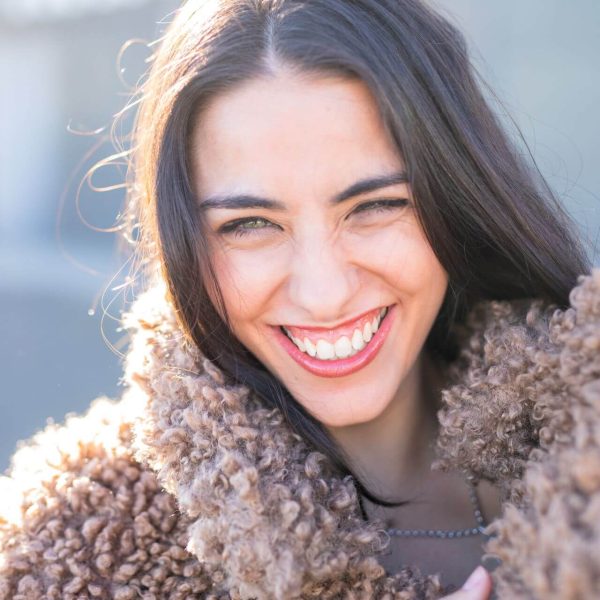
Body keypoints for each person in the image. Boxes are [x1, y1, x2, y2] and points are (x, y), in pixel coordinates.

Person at [1, 0, 598, 598]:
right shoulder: (72, 555)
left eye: (375, 207)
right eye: (249, 224)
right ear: (184, 240)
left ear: (459, 197)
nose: (323, 293)